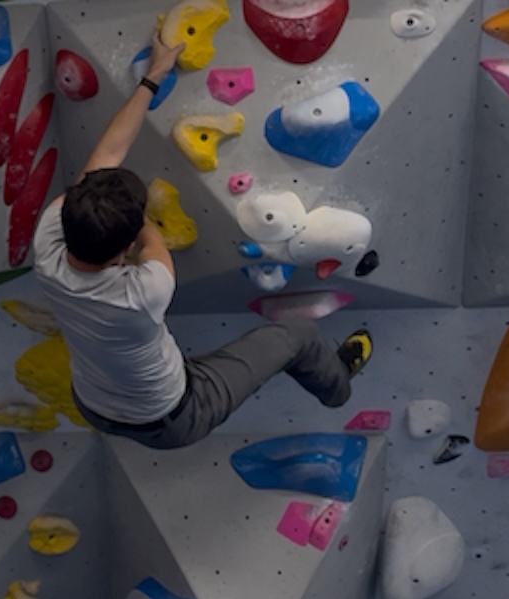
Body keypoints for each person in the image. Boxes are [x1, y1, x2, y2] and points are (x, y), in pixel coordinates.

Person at [32, 31, 373, 450]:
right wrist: (141, 207)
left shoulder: (48, 245)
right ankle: (338, 386)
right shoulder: (146, 289)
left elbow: (106, 156)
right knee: (296, 337)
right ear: (125, 251)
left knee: (153, 357)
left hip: (95, 401)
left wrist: (152, 77)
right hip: (174, 416)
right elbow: (151, 237)